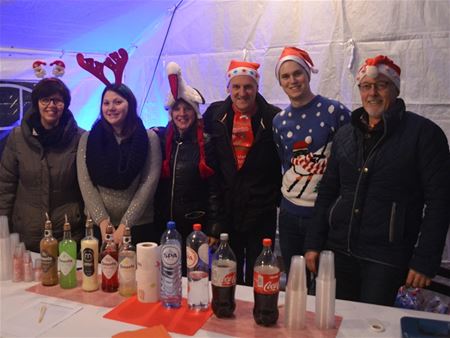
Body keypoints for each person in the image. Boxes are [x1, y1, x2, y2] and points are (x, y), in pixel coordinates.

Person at [304, 55, 450, 306]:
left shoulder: (424, 135)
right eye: (366, 86)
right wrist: (313, 242)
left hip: (386, 257)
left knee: (373, 325)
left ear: (395, 89)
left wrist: (425, 259)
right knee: (329, 319)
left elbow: (440, 201)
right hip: (337, 249)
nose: (372, 92)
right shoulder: (345, 135)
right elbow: (328, 191)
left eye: (381, 85)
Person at [272, 47, 351, 279]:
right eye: (285, 76)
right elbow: (284, 161)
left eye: (297, 73)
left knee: (325, 282)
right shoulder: (279, 121)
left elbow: (348, 161)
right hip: (289, 214)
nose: (292, 80)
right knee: (296, 281)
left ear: (307, 74)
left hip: (325, 214)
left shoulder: (334, 111)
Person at [203, 60, 282, 285]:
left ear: (257, 88)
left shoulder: (274, 118)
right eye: (236, 87)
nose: (242, 93)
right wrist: (215, 217)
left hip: (261, 211)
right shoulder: (214, 116)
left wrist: (272, 199)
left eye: (248, 87)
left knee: (260, 273)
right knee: (228, 273)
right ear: (228, 88)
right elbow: (211, 165)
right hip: (228, 210)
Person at [0, 78, 85, 252]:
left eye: (58, 100)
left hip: (68, 234)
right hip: (26, 234)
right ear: (37, 103)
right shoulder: (17, 138)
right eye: (45, 99)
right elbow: (6, 186)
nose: (51, 105)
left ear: (65, 104)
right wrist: (3, 229)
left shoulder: (80, 138)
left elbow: (87, 187)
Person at [154, 62, 223, 272]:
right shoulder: (161, 139)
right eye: (177, 108)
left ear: (195, 113)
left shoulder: (207, 143)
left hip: (197, 225)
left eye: (187, 109)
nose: (181, 114)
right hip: (167, 224)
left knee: (197, 274)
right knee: (169, 273)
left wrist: (213, 227)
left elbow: (215, 188)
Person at [77, 83, 162, 245]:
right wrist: (103, 222)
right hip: (97, 227)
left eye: (118, 102)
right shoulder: (88, 139)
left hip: (138, 226)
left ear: (130, 104)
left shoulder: (149, 138)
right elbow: (86, 182)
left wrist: (125, 225)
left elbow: (148, 183)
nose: (111, 108)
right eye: (106, 103)